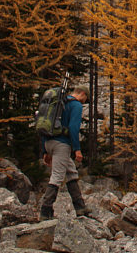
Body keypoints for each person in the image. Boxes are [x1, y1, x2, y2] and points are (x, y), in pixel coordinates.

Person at [39, 84, 89, 220]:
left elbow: (46, 122)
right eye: (86, 99)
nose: (84, 102)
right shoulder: (76, 105)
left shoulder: (59, 103)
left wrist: (45, 150)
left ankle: (80, 207)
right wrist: (77, 149)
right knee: (57, 177)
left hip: (49, 142)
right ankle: (45, 211)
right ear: (83, 94)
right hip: (62, 145)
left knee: (71, 172)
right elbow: (73, 128)